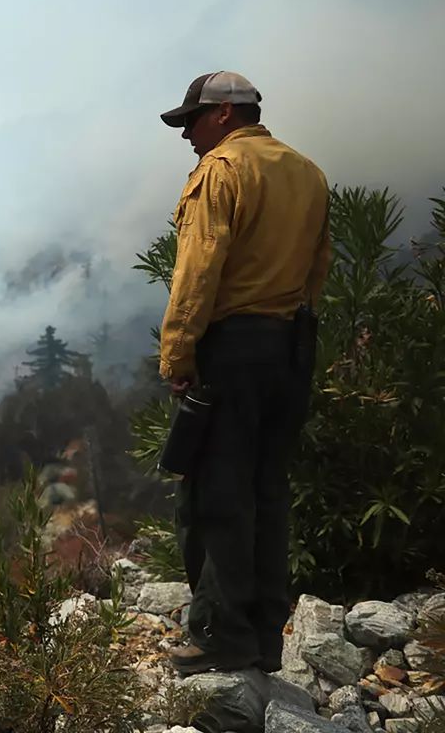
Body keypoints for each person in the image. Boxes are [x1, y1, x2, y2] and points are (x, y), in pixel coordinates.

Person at [155, 71, 331, 676]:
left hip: (232, 349)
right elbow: (317, 269)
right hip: (290, 348)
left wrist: (178, 354)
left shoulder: (222, 171)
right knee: (268, 492)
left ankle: (221, 636)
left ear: (225, 113)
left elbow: (198, 272)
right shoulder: (307, 172)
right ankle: (263, 637)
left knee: (215, 496)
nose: (187, 137)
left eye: (192, 122)